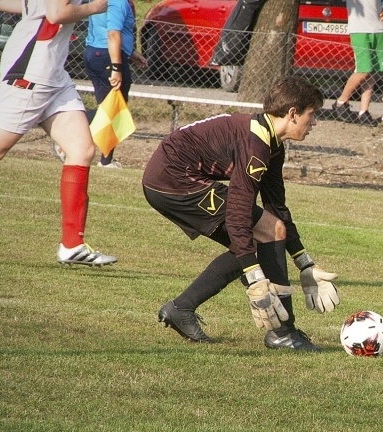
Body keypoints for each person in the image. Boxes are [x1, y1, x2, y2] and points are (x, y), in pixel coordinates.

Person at [142, 76, 340, 350]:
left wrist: (304, 263)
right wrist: (255, 276)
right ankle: (283, 333)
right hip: (173, 182)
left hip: (173, 178)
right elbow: (238, 213)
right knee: (265, 234)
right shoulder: (255, 146)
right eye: (312, 114)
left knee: (268, 234)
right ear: (293, 114)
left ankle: (182, 308)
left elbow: (276, 207)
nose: (314, 122)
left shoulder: (271, 143)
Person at [0, 0, 118, 267]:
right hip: (31, 74)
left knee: (82, 150)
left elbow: (30, 5)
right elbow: (57, 12)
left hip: (54, 76)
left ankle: (72, 245)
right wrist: (96, 8)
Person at [81, 0, 147, 168]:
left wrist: (131, 53)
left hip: (95, 53)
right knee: (113, 110)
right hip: (107, 57)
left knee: (110, 108)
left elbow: (105, 30)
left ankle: (106, 160)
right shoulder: (118, 2)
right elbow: (112, 34)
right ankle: (71, 124)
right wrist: (116, 68)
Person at [330, 0, 383, 125]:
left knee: (373, 72)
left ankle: (363, 111)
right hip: (359, 28)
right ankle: (341, 102)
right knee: (363, 70)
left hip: (378, 27)